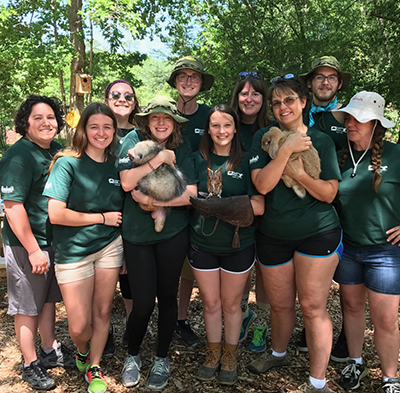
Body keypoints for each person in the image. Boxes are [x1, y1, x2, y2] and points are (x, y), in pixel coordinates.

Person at [248, 75, 342, 393]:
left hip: (317, 232)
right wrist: (286, 150)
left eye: (289, 100)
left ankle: (317, 382)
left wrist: (300, 174)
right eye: (276, 103)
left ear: (303, 102)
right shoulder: (265, 137)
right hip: (273, 234)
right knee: (280, 305)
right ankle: (278, 353)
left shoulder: (322, 140)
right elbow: (262, 184)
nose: (282, 107)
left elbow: (329, 193)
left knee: (313, 306)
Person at [117, 96, 197, 390]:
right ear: (146, 121)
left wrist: (149, 199)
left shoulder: (184, 146)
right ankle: (133, 355)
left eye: (167, 118)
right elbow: (126, 182)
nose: (161, 122)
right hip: (138, 236)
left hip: (172, 234)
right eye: (155, 117)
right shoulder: (131, 141)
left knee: (167, 298)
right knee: (141, 303)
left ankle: (162, 358)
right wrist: (159, 159)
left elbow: (190, 196)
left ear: (175, 122)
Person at [43, 103, 124, 393]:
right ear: (83, 130)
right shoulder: (67, 163)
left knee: (102, 312)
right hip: (73, 251)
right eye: (94, 126)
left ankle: (95, 365)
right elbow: (56, 214)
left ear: (114, 131)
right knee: (79, 326)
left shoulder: (118, 164)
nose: (101, 133)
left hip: (109, 247)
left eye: (107, 127)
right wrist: (101, 217)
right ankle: (82, 349)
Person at [0, 95, 75, 390]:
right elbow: (13, 206)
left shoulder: (55, 150)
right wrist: (33, 249)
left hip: (52, 241)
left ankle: (49, 349)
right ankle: (30, 362)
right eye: (38, 118)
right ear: (25, 123)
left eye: (50, 118)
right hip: (26, 244)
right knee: (28, 306)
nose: (46, 123)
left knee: (47, 302)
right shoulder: (19, 157)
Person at [188, 104, 264, 384]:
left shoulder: (247, 160)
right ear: (208, 129)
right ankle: (213, 353)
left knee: (232, 305)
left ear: (235, 129)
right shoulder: (197, 159)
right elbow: (188, 198)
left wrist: (220, 206)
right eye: (216, 125)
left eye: (227, 125)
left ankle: (230, 355)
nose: (222, 131)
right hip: (202, 242)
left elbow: (259, 205)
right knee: (210, 304)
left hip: (238, 243)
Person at [332, 91, 400, 393]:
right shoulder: (340, 155)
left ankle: (390, 378)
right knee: (351, 308)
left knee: (385, 319)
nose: (350, 123)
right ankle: (355, 362)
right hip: (348, 248)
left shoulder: (395, 155)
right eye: (348, 118)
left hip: (385, 251)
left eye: (358, 119)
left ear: (376, 124)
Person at [299, 55, 352, 362]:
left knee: (347, 279)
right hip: (307, 207)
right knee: (309, 283)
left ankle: (346, 336)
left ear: (339, 83)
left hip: (343, 204)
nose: (325, 82)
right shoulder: (300, 115)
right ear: (310, 83)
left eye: (331, 77)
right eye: (320, 77)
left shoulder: (348, 117)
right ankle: (308, 332)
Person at [166, 56, 214, 347]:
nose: (187, 81)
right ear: (175, 82)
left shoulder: (208, 116)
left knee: (187, 267)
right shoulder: (163, 112)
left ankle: (180, 320)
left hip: (195, 197)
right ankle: (164, 316)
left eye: (193, 77)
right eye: (182, 77)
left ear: (200, 84)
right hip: (161, 194)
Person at [230, 71, 271, 353]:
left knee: (266, 271)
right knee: (240, 269)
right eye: (244, 93)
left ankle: (262, 325)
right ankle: (244, 315)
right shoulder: (226, 125)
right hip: (235, 208)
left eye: (255, 93)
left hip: (268, 208)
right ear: (237, 97)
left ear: (263, 98)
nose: (249, 98)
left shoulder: (273, 127)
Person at [104, 79, 141, 351]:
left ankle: (132, 328)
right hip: (99, 216)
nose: (122, 98)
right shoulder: (98, 131)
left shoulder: (141, 134)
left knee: (130, 280)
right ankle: (102, 331)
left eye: (128, 95)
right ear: (106, 100)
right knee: (99, 282)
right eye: (115, 94)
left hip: (131, 216)